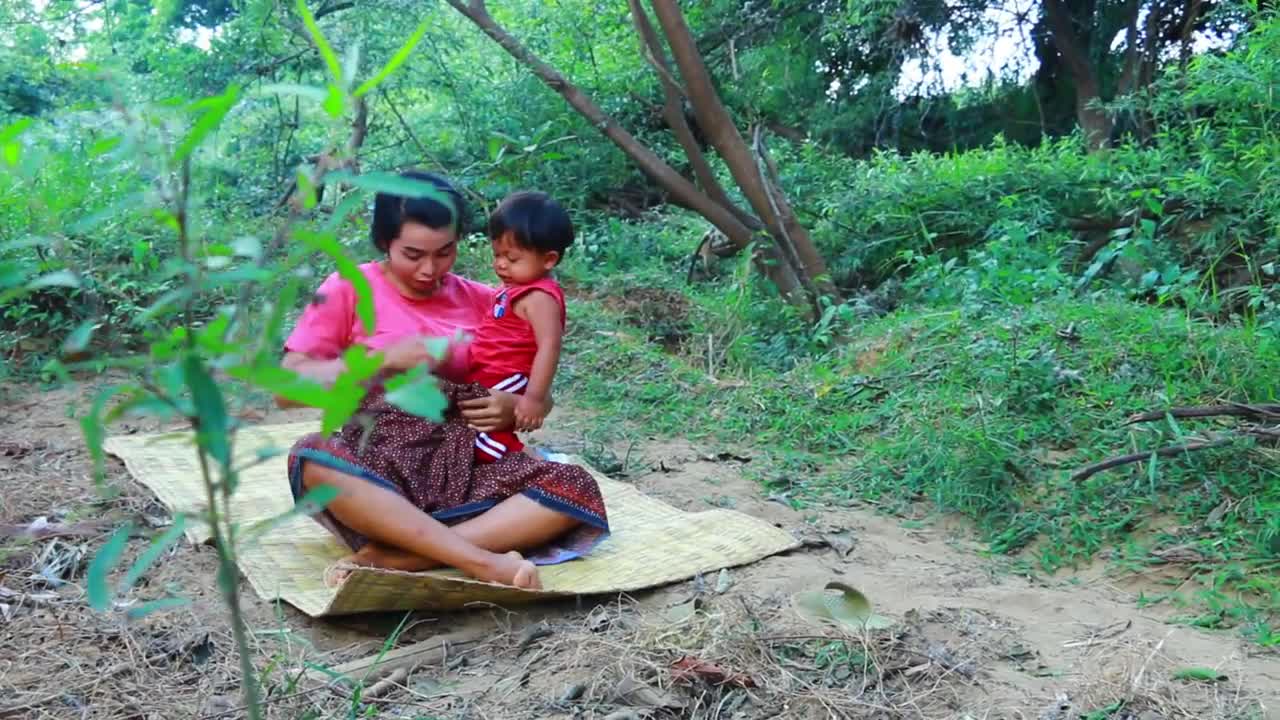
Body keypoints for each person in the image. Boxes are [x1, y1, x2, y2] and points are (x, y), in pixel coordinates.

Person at [278, 171, 609, 590]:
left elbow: (533, 389)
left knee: (572, 485)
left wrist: (516, 408)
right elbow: (287, 388)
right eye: (412, 254)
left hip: (466, 471)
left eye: (445, 252)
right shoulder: (348, 288)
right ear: (385, 242)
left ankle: (402, 556)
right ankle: (480, 561)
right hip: (381, 473)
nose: (429, 270)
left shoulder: (487, 300)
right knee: (314, 456)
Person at [467, 191, 573, 463]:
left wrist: (534, 399)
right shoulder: (514, 288)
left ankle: (531, 464)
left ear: (549, 259)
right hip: (488, 370)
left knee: (484, 430)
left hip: (509, 374)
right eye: (497, 254)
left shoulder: (540, 297)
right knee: (476, 423)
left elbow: (549, 346)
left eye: (512, 259)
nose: (500, 264)